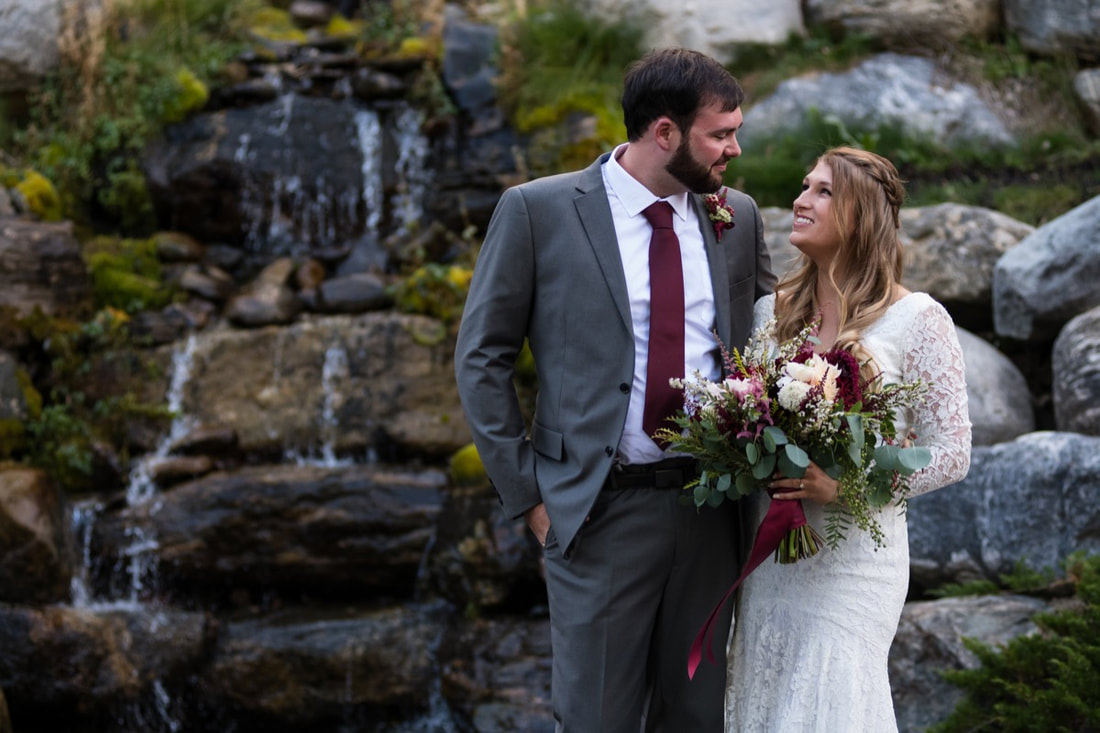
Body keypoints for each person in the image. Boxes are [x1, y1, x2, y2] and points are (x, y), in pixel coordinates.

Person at [454, 48, 775, 731]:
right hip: (597, 512)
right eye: (720, 134)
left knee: (697, 716)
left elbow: (772, 341)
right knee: (596, 716)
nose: (734, 148)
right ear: (664, 132)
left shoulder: (736, 216)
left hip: (712, 511)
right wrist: (532, 496)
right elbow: (481, 357)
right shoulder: (538, 211)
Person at [722, 146, 972, 732]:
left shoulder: (918, 319)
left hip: (853, 563)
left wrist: (847, 483)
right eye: (804, 186)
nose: (800, 200)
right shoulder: (770, 315)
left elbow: (953, 452)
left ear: (859, 216)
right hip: (772, 557)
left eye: (822, 191)